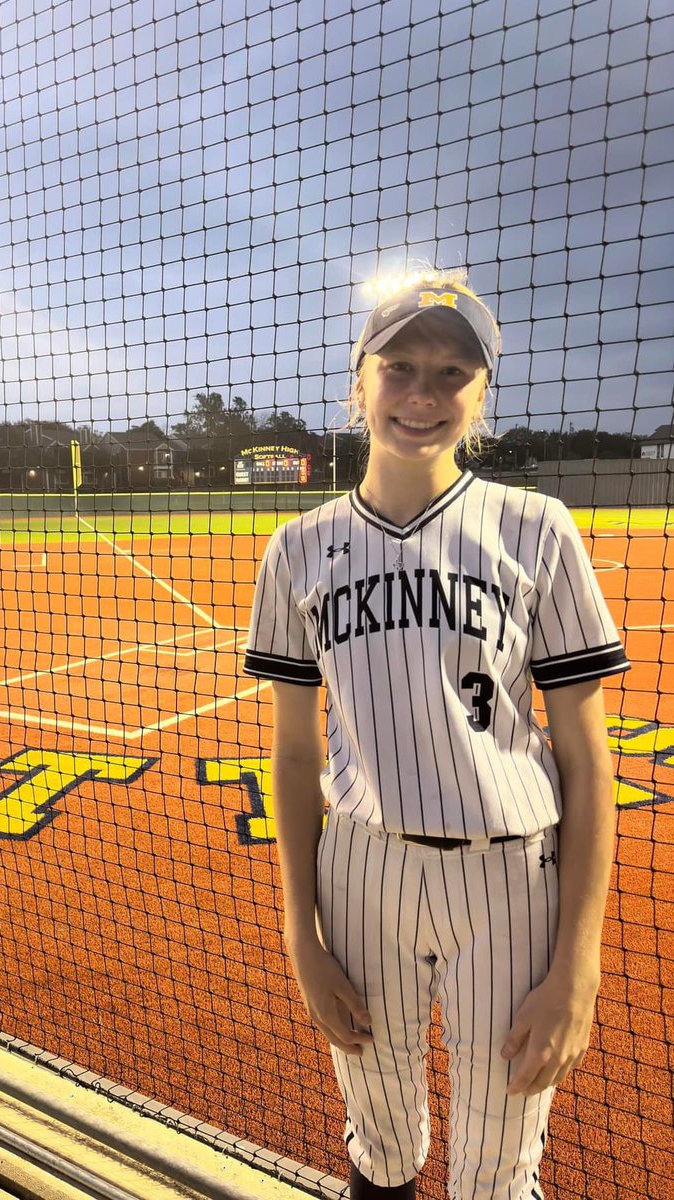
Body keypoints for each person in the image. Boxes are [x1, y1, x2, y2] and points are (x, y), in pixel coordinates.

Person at [243, 270, 629, 1200]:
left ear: (482, 394)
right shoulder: (296, 549)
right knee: (379, 1142)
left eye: (453, 374)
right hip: (362, 873)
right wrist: (302, 933)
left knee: (497, 1170)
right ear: (358, 381)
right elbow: (295, 756)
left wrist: (578, 964)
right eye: (401, 366)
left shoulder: (537, 529)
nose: (423, 394)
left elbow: (585, 760)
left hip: (509, 878)